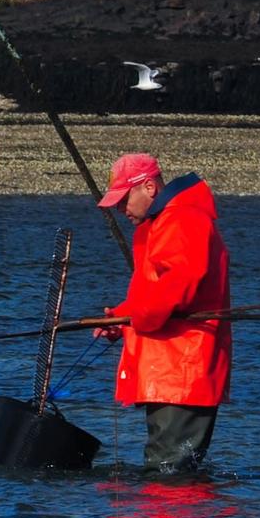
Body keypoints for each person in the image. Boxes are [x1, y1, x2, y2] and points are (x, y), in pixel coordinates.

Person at [96, 152, 231, 474]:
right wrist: (120, 316)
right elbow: (157, 288)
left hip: (181, 368)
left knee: (170, 471)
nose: (120, 208)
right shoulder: (165, 220)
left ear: (149, 187)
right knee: (169, 467)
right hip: (171, 367)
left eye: (124, 199)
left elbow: (181, 282)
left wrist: (136, 317)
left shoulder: (181, 218)